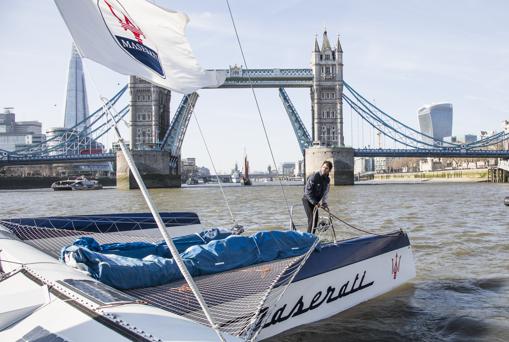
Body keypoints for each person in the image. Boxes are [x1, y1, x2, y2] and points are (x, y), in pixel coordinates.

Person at [302, 161, 332, 233]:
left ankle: (312, 236)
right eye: (323, 167)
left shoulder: (327, 180)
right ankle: (308, 238)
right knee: (311, 219)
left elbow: (325, 192)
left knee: (315, 220)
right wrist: (315, 202)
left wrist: (324, 203)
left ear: (329, 170)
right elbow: (307, 191)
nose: (324, 169)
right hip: (307, 200)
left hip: (315, 202)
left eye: (326, 168)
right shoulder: (314, 177)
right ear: (321, 167)